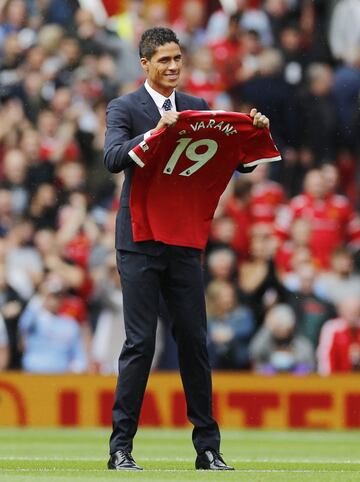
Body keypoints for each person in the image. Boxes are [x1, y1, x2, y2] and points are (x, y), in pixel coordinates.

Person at [104, 27, 271, 472]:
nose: (174, 67)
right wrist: (155, 133)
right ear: (145, 64)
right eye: (164, 60)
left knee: (194, 341)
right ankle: (120, 449)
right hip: (139, 237)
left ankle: (208, 450)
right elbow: (113, 157)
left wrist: (251, 138)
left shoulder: (197, 108)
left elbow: (230, 158)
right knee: (140, 343)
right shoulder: (125, 107)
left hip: (182, 238)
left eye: (177, 58)